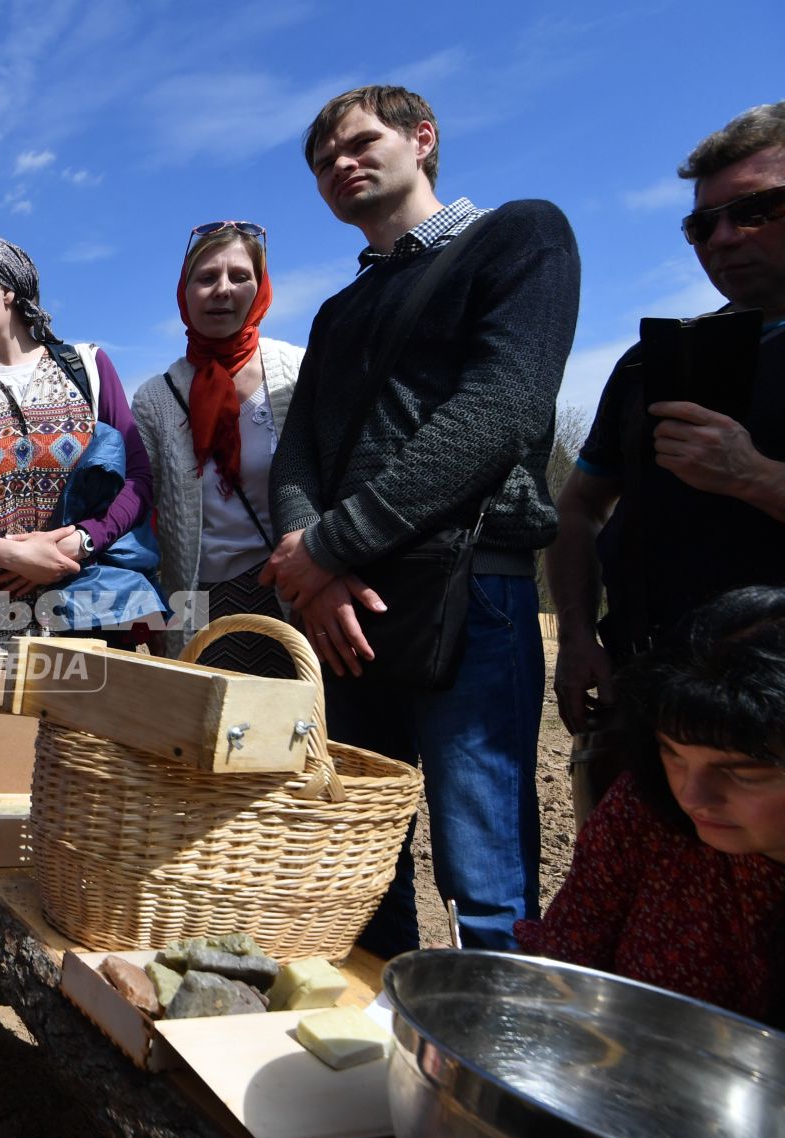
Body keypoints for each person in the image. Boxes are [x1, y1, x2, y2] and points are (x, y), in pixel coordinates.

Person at [266, 85, 580, 955]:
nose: (340, 165)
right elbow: (300, 455)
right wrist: (311, 569)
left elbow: (502, 410)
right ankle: (378, 1064)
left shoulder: (519, 235)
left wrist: (330, 545)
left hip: (471, 587)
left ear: (423, 138)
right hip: (346, 608)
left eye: (359, 144)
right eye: (324, 161)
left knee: (485, 879)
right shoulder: (338, 311)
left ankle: (490, 1085)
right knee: (360, 861)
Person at [546, 102, 785, 822]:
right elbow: (580, 506)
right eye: (701, 223)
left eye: (755, 210)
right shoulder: (655, 360)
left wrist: (756, 477)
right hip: (647, 708)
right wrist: (580, 634)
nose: (721, 238)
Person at [516, 586, 785, 1029]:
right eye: (673, 754)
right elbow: (562, 961)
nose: (693, 797)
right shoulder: (643, 812)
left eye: (743, 773)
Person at [0, 236, 152, 649]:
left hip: (88, 618)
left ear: (7, 292)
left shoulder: (87, 367)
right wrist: (8, 555)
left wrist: (81, 541)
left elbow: (138, 479)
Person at [132, 221, 306, 671]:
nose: (222, 290)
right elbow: (139, 506)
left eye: (239, 277)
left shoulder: (298, 369)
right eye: (206, 278)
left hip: (292, 589)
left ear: (261, 286)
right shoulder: (156, 397)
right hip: (196, 598)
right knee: (202, 732)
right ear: (184, 292)